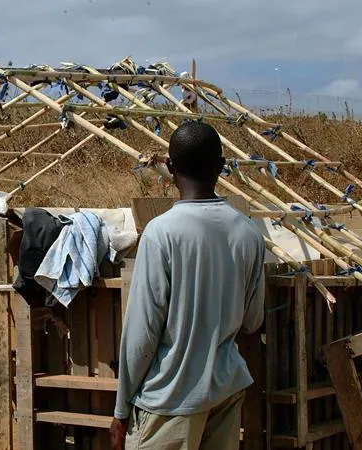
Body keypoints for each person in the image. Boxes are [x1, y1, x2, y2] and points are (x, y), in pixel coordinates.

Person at [111, 121, 265, 450]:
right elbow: (252, 321)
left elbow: (142, 334)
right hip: (224, 391)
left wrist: (121, 409)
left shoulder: (161, 233)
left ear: (170, 165)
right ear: (221, 168)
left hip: (170, 400)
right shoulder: (248, 233)